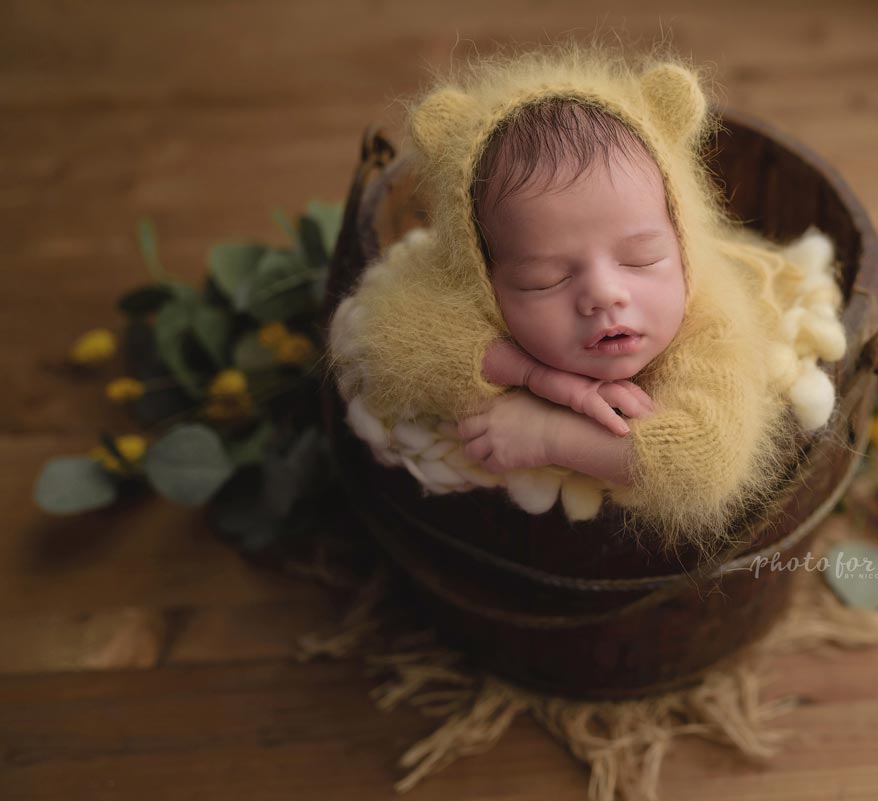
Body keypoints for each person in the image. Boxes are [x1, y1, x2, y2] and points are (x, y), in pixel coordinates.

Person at [328, 41, 848, 553]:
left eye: (642, 258)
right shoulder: (463, 291)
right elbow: (387, 336)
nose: (604, 294)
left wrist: (552, 436)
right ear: (483, 279)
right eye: (545, 279)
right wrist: (533, 374)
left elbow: (706, 457)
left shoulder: (710, 319)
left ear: (684, 241)